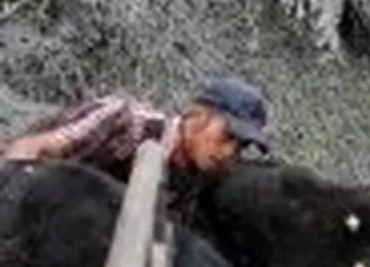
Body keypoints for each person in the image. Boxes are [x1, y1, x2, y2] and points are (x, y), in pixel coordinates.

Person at [4, 75, 271, 188]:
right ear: (197, 116)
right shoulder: (125, 122)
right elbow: (34, 147)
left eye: (240, 146)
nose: (229, 153)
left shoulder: (196, 179)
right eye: (227, 136)